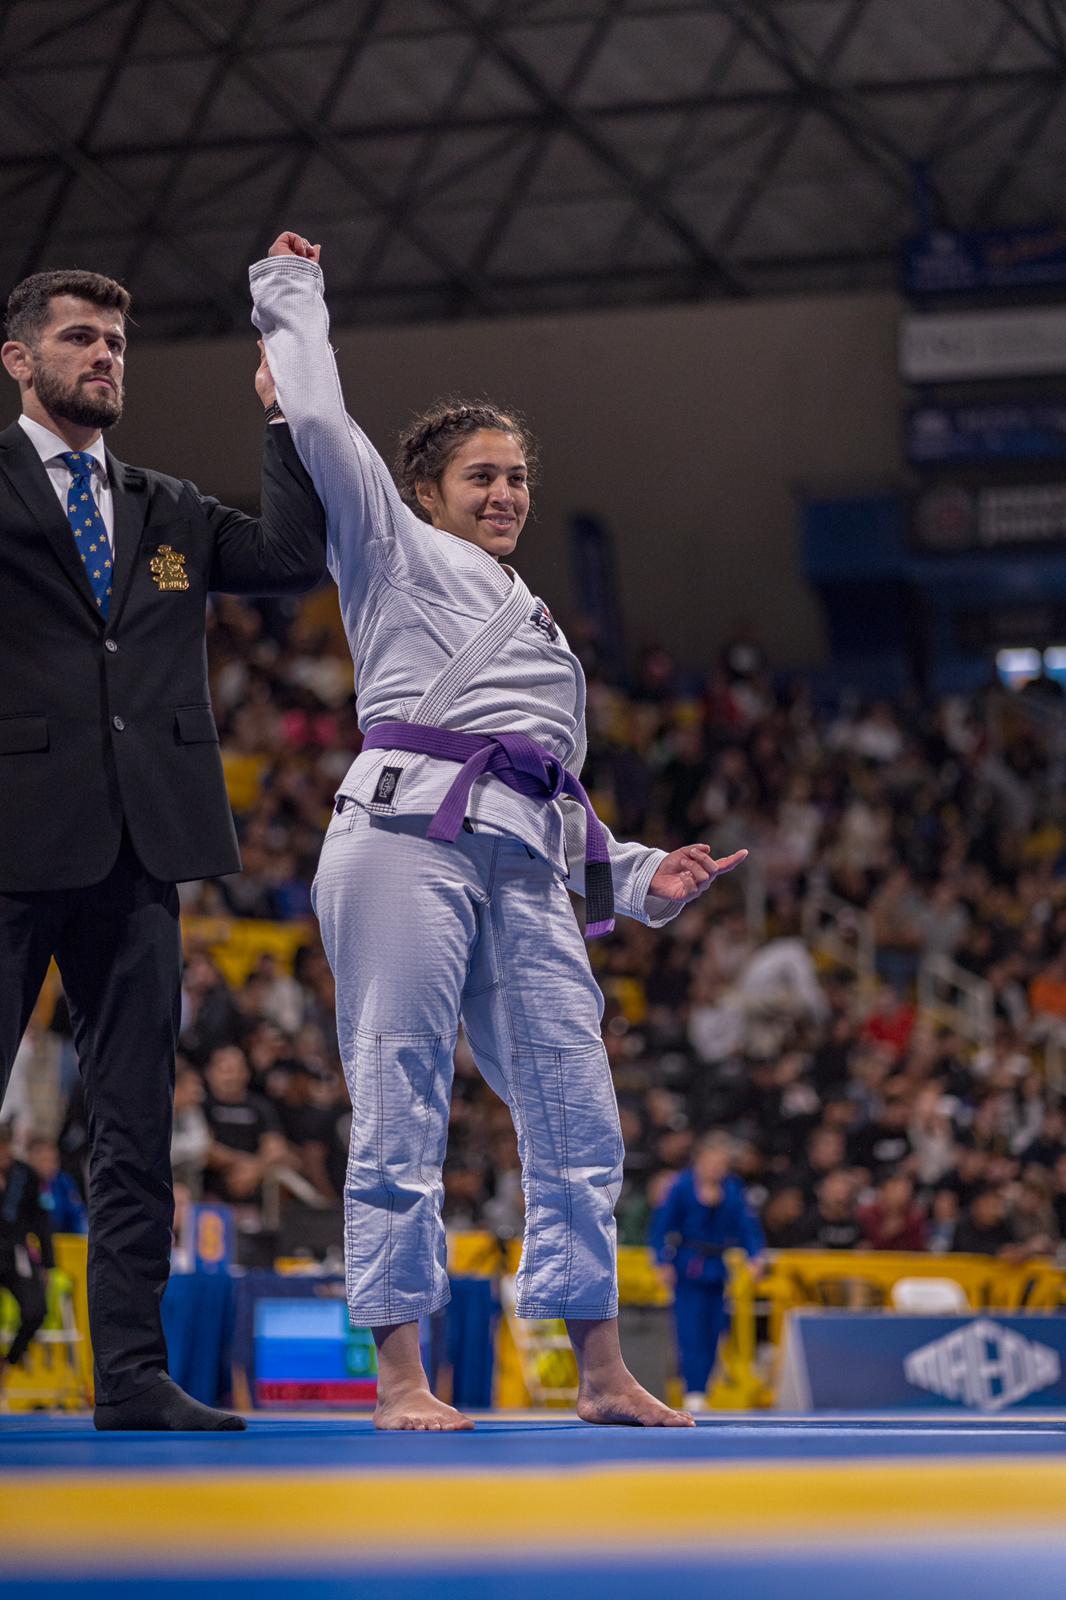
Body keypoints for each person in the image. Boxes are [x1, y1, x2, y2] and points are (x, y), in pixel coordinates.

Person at [251, 231, 748, 1430]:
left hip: (523, 864)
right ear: (426, 490)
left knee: (579, 1107)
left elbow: (543, 786)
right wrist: (288, 295)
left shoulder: (545, 638)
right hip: (404, 840)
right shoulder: (389, 545)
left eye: (517, 476)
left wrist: (637, 875)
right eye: (481, 475)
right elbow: (318, 418)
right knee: (400, 1089)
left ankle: (600, 1372)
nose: (505, 493)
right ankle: (401, 1379)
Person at [0, 267, 327, 1430]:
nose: (105, 356)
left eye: (117, 342)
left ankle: (129, 1375)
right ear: (18, 359)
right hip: (11, 838)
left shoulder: (169, 505)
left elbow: (292, 558)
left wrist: (285, 414)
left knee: (136, 1124)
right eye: (80, 337)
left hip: (141, 848)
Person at [650, 1132, 765, 1411]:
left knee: (715, 1329)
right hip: (687, 1265)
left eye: (722, 1162)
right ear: (699, 1160)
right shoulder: (682, 1187)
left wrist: (756, 1256)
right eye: (712, 1161)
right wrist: (662, 1262)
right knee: (690, 1331)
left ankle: (704, 1388)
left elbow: (747, 1227)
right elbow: (660, 1227)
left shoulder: (733, 1188)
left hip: (717, 1267)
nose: (717, 1167)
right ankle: (693, 1391)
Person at [0, 1125, 53, 1395]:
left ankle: (8, 1362)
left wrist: (46, 1264)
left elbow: (42, 1221)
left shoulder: (26, 1175)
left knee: (36, 1310)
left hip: (15, 1253)